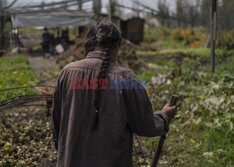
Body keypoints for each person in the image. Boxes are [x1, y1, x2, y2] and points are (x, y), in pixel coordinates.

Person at [51, 19, 177, 167]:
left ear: (89, 45)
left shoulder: (67, 73)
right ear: (117, 44)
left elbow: (57, 125)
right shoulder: (126, 78)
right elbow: (145, 125)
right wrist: (164, 118)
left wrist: (66, 154)